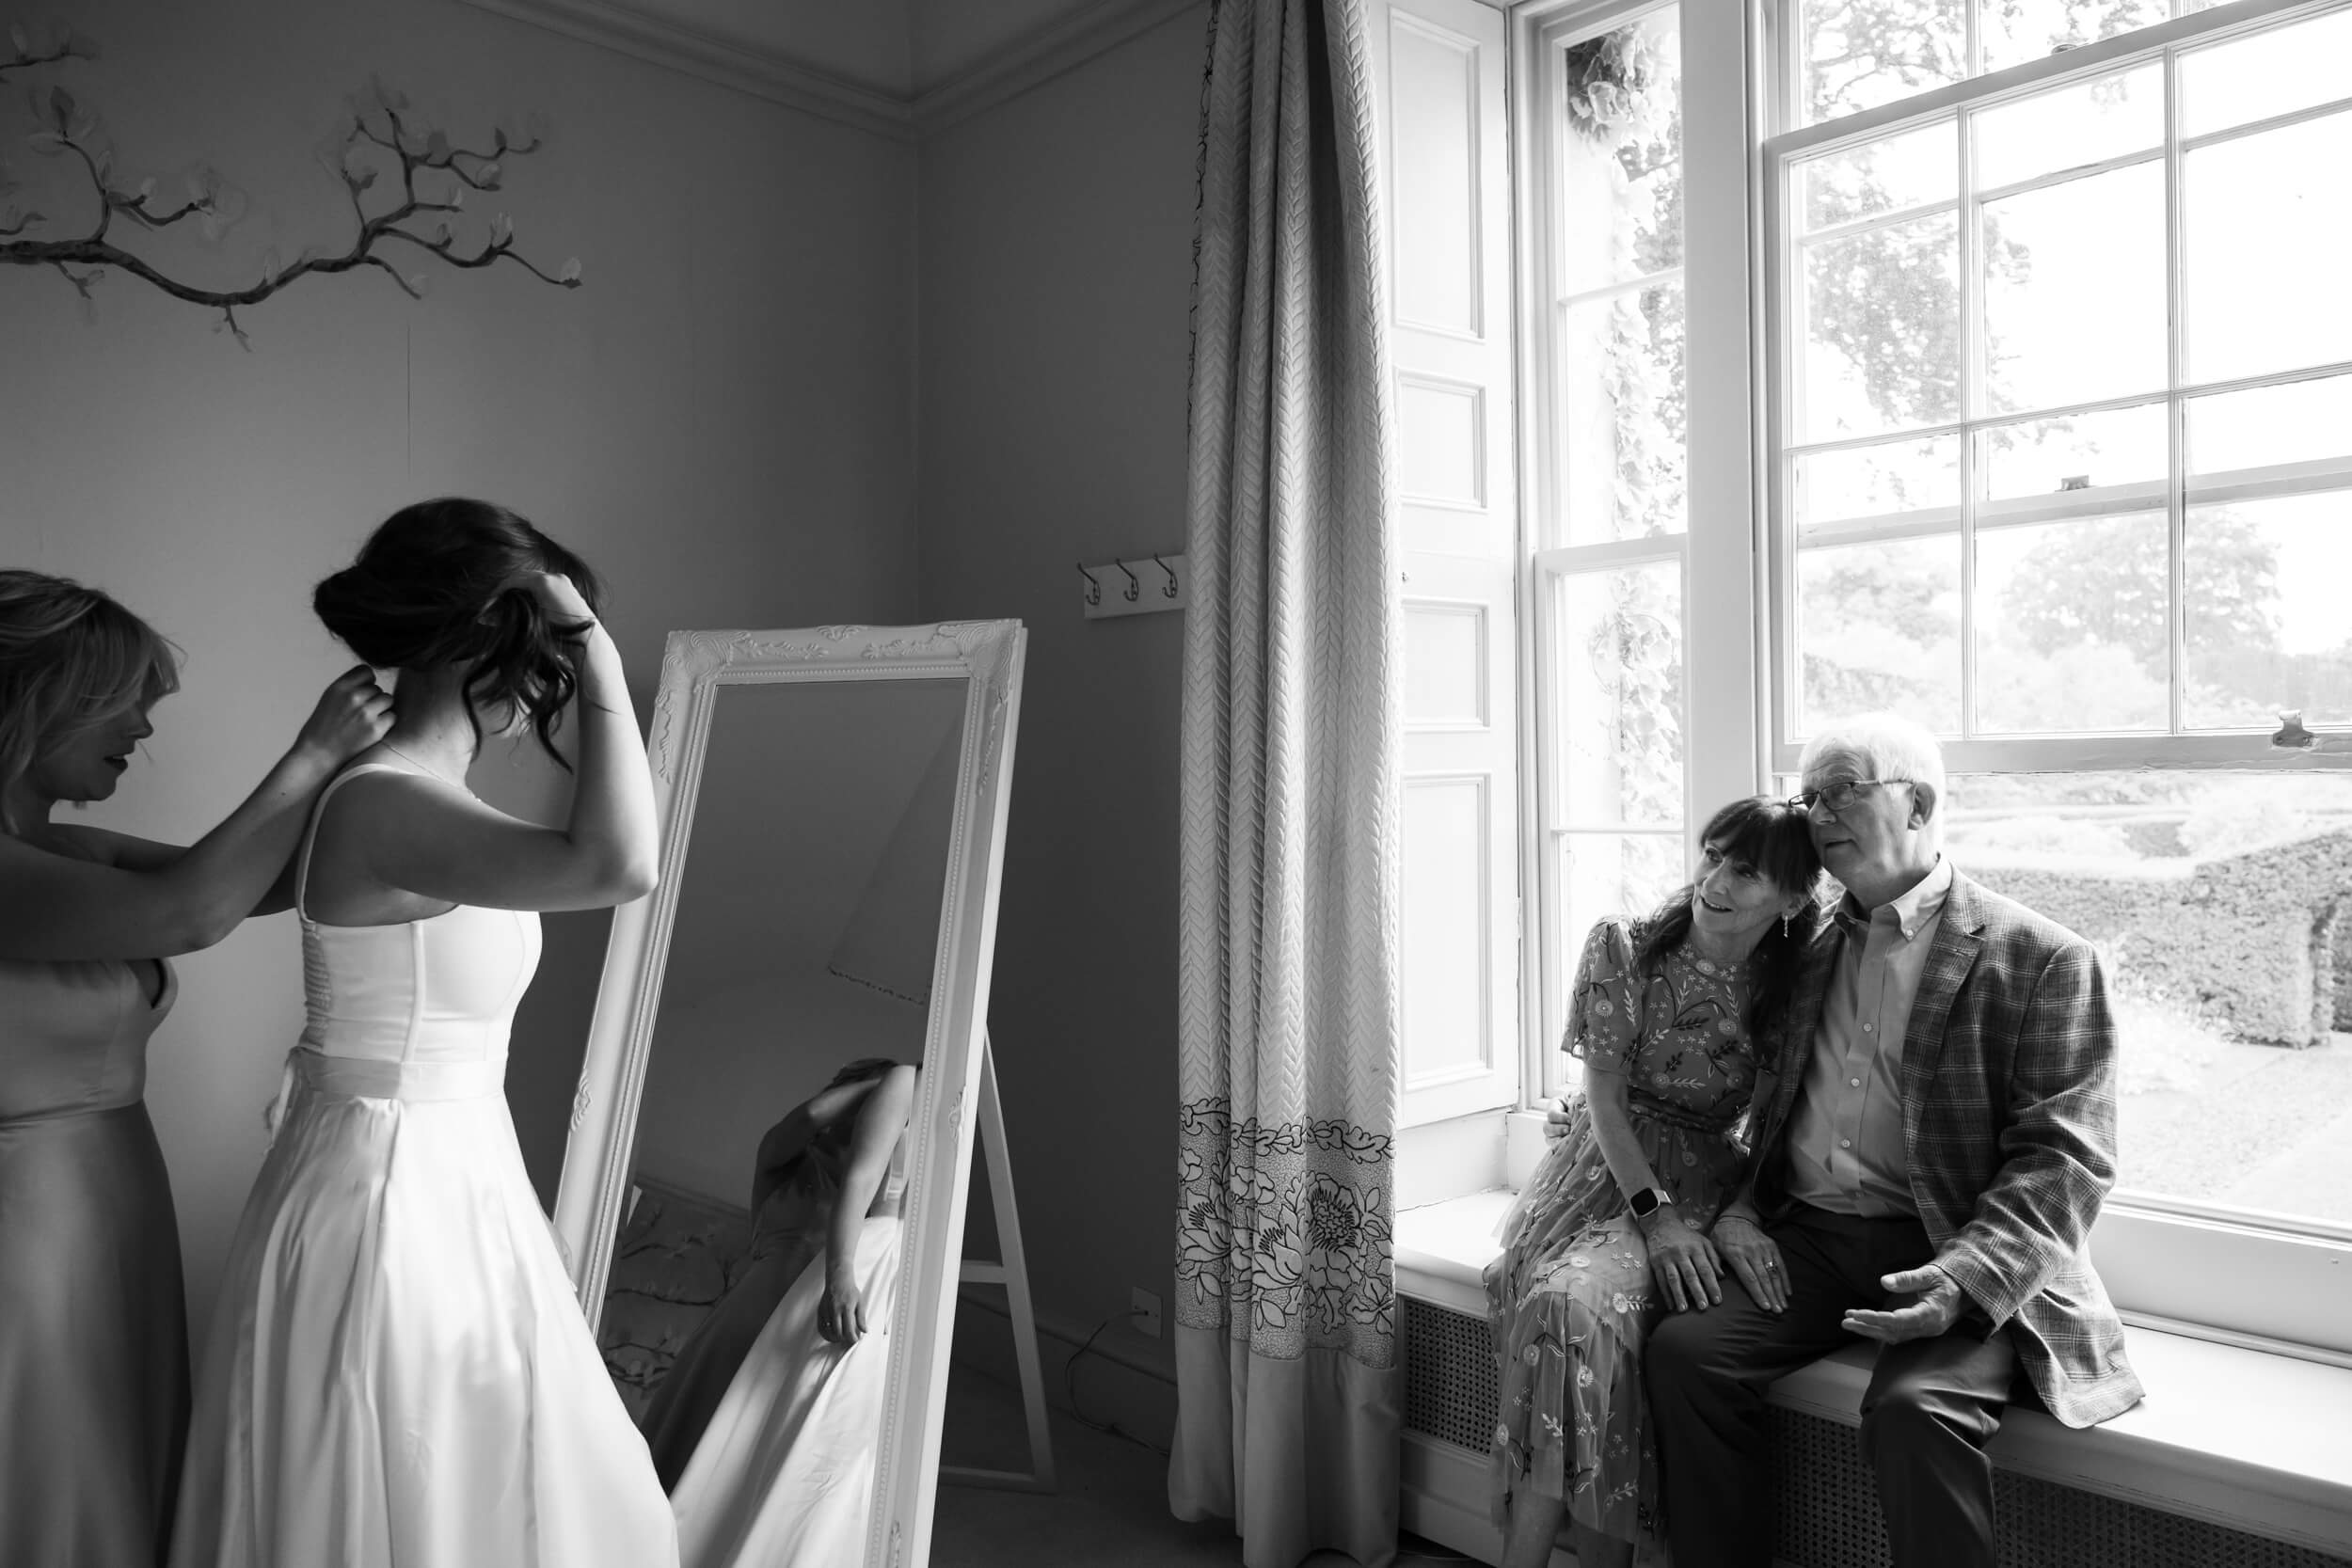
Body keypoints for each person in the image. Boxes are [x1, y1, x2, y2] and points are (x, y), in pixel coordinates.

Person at [168, 499, 677, 1568]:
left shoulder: (418, 801)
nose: (549, 682)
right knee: (419, 1473)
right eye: (544, 654)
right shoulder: (387, 804)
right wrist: (603, 659)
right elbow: (620, 864)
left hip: (447, 1174)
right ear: (495, 646)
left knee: (484, 1479)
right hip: (393, 1198)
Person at [1646, 711, 2143, 1568]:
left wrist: (1958, 1282)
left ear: (1917, 802)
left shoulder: (2045, 957)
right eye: (1810, 795)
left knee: (1915, 1412)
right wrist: (1733, 1207)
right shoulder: (1798, 945)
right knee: (1686, 1353)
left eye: (1844, 788)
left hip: (1956, 1246)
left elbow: (2065, 1159)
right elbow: (1743, 1090)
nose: (1818, 812)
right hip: (1807, 1236)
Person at [0, 568, 389, 1567]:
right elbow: (194, 913)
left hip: (115, 1197)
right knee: (47, 1469)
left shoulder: (69, 848)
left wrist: (384, 766)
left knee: (117, 1467)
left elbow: (264, 884)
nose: (142, 726)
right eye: (122, 700)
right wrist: (311, 751)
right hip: (21, 1227)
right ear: (33, 699)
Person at [1485, 796, 1823, 1568]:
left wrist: (1737, 1211)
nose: (1715, 879)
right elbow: (1603, 1099)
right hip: (1607, 1174)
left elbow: (1772, 1127)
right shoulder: (1625, 947)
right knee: (1562, 1309)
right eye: (1712, 855)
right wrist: (1656, 1217)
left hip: (1708, 1185)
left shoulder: (1792, 988)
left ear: (1794, 898)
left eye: (1745, 870)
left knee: (1599, 1329)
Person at [667, 1057, 919, 1568]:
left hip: (806, 1319)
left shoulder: (868, 1196)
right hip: (752, 1313)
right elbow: (806, 1120)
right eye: (853, 1098)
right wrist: (883, 1084)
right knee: (703, 1439)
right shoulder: (782, 1160)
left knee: (754, 1454)